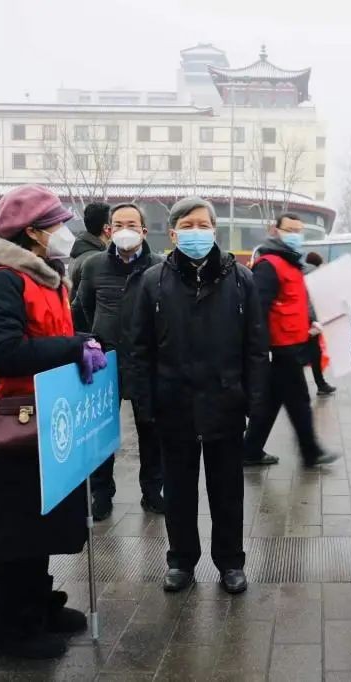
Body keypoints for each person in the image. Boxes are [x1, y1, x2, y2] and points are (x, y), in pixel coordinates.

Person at [0, 184, 104, 660]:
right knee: (14, 528)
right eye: (56, 225)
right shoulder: (1, 280)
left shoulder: (46, 277)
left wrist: (82, 340)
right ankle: (12, 627)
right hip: (11, 422)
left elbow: (50, 337)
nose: (64, 233)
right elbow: (5, 353)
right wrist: (72, 348)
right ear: (32, 232)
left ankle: (39, 605)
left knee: (41, 519)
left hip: (47, 418)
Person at [129, 197, 267, 595]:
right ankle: (181, 561)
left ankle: (230, 562)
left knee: (227, 491)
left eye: (202, 225)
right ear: (172, 233)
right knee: (179, 492)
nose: (196, 232)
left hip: (225, 403)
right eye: (187, 225)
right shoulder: (153, 281)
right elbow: (139, 349)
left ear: (214, 230)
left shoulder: (241, 279)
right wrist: (145, 404)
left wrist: (255, 400)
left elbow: (256, 346)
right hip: (174, 405)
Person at [74, 202, 165, 520]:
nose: (125, 229)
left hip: (146, 362)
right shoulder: (93, 266)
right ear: (108, 230)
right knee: (100, 430)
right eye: (118, 224)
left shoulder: (159, 267)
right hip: (104, 360)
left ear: (144, 230)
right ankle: (101, 493)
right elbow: (81, 308)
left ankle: (153, 490)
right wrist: (92, 341)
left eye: (132, 223)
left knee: (151, 430)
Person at [243, 213, 339, 468]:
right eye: (290, 229)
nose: (296, 234)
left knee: (271, 402)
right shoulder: (269, 265)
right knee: (299, 402)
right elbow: (257, 311)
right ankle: (311, 452)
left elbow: (293, 306)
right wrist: (262, 350)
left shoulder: (291, 264)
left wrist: (311, 325)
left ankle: (250, 450)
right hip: (279, 350)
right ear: (276, 231)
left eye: (299, 230)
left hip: (292, 344)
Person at [69, 202, 110, 331]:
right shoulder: (94, 260)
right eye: (117, 224)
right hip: (91, 335)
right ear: (106, 228)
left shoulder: (80, 252)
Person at [302, 251, 336, 396]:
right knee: (314, 354)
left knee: (305, 354)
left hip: (299, 320)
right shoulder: (315, 274)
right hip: (310, 321)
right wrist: (316, 320)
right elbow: (313, 300)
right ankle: (320, 385)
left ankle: (319, 385)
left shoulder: (300, 271)